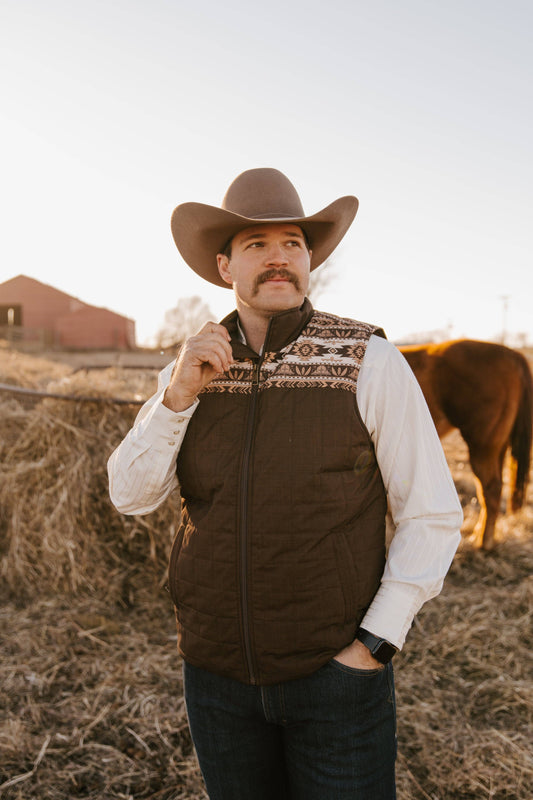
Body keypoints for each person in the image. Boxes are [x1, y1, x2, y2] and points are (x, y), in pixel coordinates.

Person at [108, 168, 463, 800]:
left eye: (292, 243)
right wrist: (178, 397)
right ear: (225, 266)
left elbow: (431, 513)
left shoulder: (367, 359)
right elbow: (130, 496)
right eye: (257, 245)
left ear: (308, 260)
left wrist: (374, 645)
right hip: (216, 680)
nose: (279, 257)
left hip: (334, 678)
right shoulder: (190, 368)